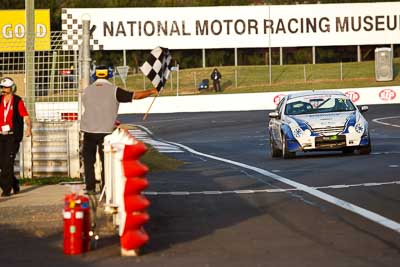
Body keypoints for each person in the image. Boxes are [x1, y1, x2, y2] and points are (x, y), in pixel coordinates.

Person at [80, 65, 158, 195]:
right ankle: (106, 188)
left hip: (88, 130)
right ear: (109, 75)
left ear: (95, 75)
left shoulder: (86, 91)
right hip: (106, 131)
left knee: (89, 161)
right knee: (106, 161)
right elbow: (135, 96)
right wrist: (151, 91)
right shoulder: (114, 90)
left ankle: (90, 188)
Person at [0, 77, 32, 197]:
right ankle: (14, 183)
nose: (3, 89)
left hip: (12, 137)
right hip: (0, 136)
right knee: (3, 164)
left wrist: (29, 128)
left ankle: (6, 189)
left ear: (12, 88)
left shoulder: (18, 101)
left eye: (6, 87)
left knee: (8, 163)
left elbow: (26, 117)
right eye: (2, 87)